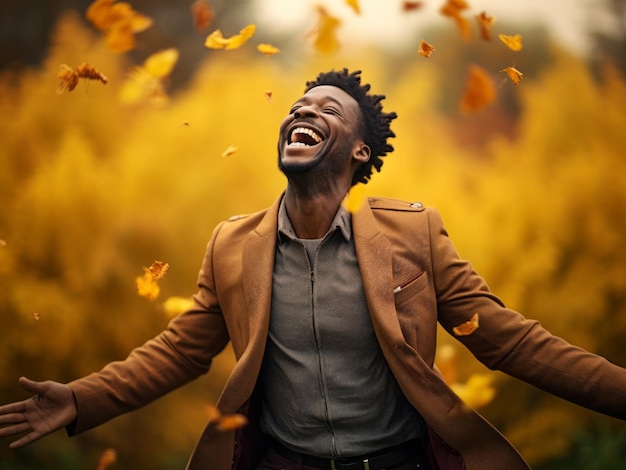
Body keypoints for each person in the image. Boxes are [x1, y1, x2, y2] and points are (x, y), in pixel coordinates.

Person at [0, 69, 625, 470]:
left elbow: (509, 341)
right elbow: (178, 353)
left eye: (328, 108)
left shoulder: (415, 234)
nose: (305, 111)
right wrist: (82, 399)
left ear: (360, 150)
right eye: (299, 105)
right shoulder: (232, 244)